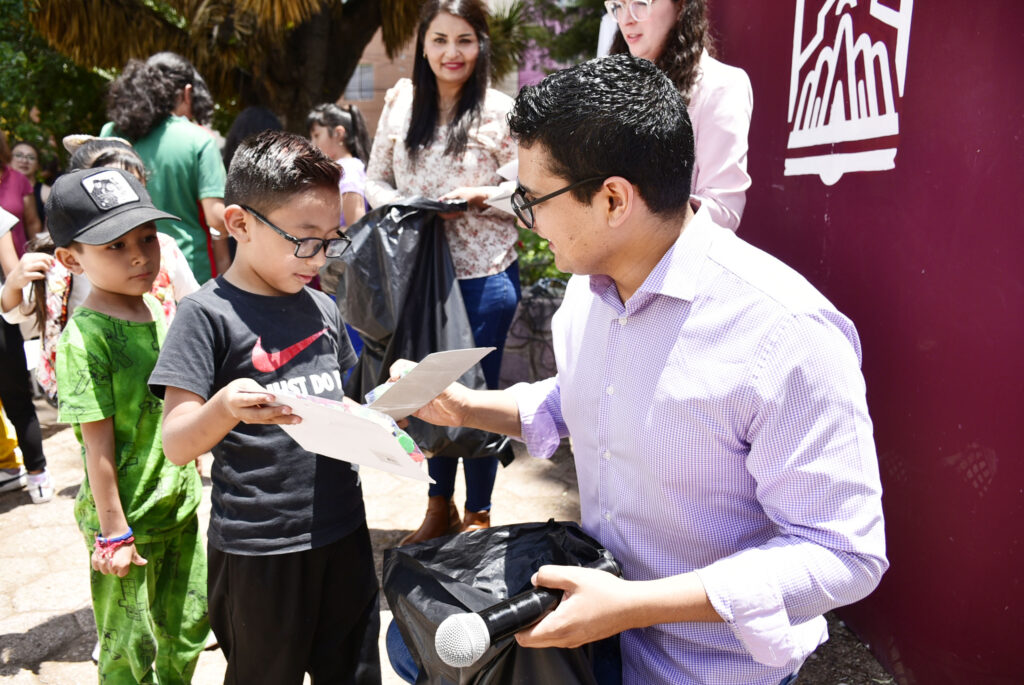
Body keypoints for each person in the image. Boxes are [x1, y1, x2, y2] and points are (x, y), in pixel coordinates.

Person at [393, 55, 888, 684]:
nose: (527, 219)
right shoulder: (589, 289)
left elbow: (843, 552)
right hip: (595, 657)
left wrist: (633, 607)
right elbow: (585, 398)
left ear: (612, 199)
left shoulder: (785, 331)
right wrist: (464, 408)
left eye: (531, 199)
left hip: (709, 671)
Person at [150, 130, 381, 684]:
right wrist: (225, 406)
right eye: (304, 240)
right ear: (240, 224)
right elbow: (178, 442)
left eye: (331, 240)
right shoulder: (205, 316)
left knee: (353, 671)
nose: (320, 256)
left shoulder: (323, 306)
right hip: (260, 549)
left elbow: (337, 407)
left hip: (343, 530)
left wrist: (387, 417)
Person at [366, 0, 521, 543]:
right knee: (424, 389)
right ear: (423, 46)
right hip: (417, 276)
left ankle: (478, 513)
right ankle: (439, 507)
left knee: (477, 397)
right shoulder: (402, 103)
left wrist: (484, 195)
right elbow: (373, 180)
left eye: (464, 40)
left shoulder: (503, 111)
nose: (451, 53)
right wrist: (412, 201)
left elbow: (527, 192)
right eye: (439, 40)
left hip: (485, 276)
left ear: (481, 45)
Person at [48, 166, 208, 682]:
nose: (139, 255)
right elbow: (95, 446)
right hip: (126, 524)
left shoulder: (163, 312)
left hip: (178, 506)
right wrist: (115, 532)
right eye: (115, 246)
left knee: (187, 628)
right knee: (128, 647)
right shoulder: (84, 338)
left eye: (146, 237)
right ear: (72, 259)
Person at [0, 137, 200, 404]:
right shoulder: (58, 263)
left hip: (157, 378)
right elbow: (17, 313)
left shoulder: (164, 249)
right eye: (116, 245)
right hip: (91, 382)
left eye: (134, 186)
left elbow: (191, 303)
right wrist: (14, 282)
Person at [605, 0, 752, 231]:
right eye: (617, 6)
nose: (626, 19)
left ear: (681, 5)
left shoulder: (721, 85)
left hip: (672, 263)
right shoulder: (610, 87)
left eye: (640, 3)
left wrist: (636, 215)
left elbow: (723, 211)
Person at [102, 51, 229, 282]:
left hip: (122, 269)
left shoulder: (111, 132)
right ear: (187, 93)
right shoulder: (199, 139)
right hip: (186, 271)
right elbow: (216, 219)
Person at [0, 132, 51, 504]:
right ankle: (35, 475)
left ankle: (37, 473)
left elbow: (11, 273)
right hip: (4, 311)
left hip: (3, 314)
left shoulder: (10, 195)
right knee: (18, 397)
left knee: (17, 396)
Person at [308, 103, 372, 228]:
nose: (312, 144)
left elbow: (356, 230)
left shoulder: (348, 170)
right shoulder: (343, 168)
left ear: (338, 133)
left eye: (317, 135)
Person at [10, 140, 52, 224]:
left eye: (31, 157)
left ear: (38, 165)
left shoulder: (47, 193)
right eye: (18, 155)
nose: (24, 161)